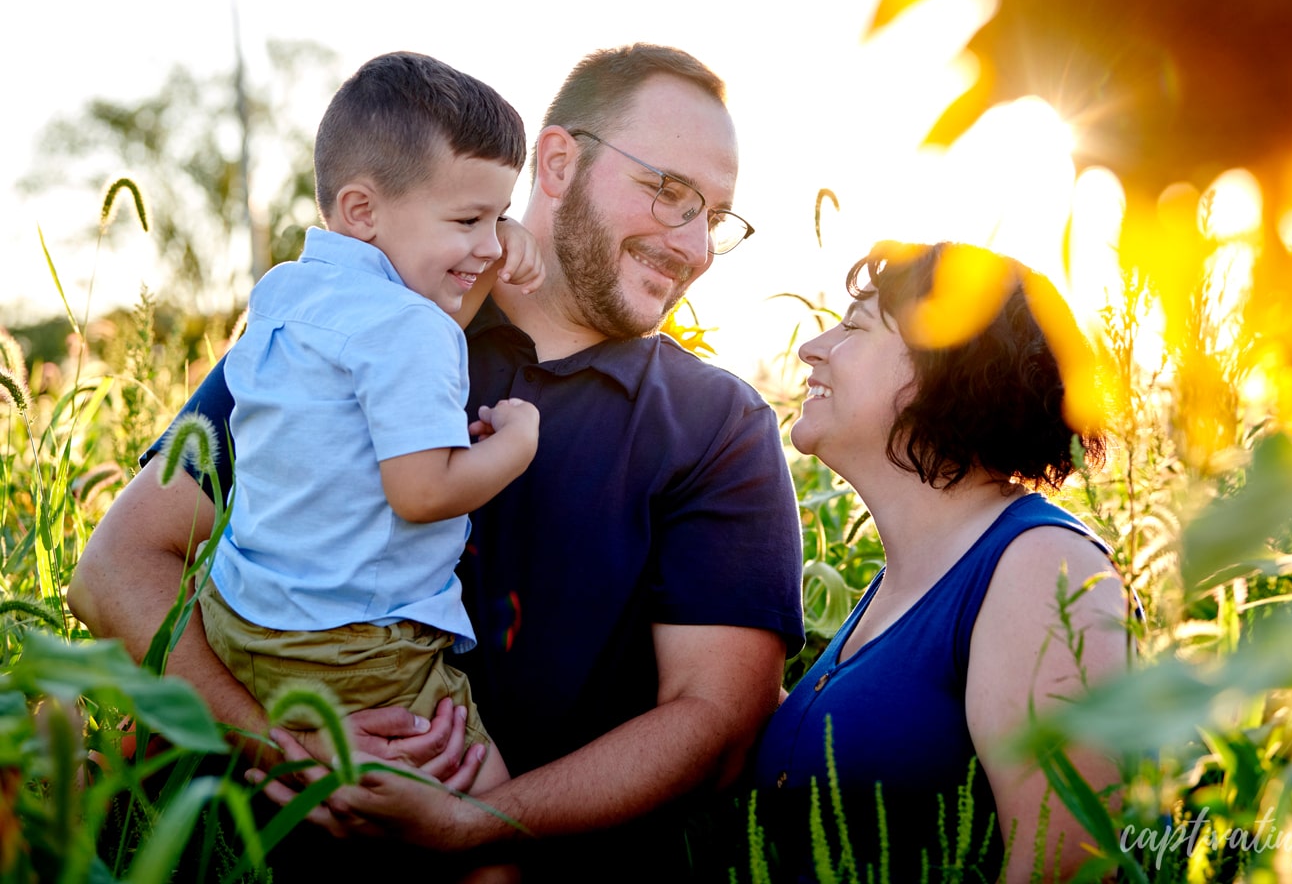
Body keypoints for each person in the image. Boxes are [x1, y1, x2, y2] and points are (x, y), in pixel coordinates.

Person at [68, 44, 805, 882]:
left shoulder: (719, 425)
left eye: (714, 216)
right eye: (669, 192)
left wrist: (472, 826)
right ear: (558, 161)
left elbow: (719, 721)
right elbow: (115, 567)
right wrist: (278, 748)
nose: (694, 245)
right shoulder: (355, 328)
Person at [198, 51, 542, 815]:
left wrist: (475, 251)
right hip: (358, 646)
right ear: (361, 210)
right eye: (469, 219)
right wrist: (514, 444)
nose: (491, 243)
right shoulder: (412, 329)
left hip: (243, 619)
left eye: (501, 216)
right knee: (484, 816)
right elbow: (420, 491)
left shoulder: (284, 293)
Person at [746, 241, 1127, 882]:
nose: (814, 348)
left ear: (942, 365)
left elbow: (1065, 868)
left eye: (856, 326)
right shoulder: (898, 584)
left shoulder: (1040, 566)